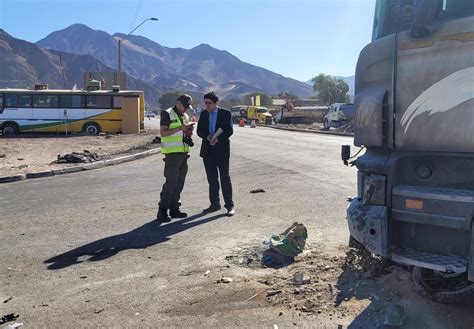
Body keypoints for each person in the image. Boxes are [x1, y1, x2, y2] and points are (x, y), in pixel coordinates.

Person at [157, 94, 194, 222]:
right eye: (185, 106)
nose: (186, 109)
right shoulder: (167, 113)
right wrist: (180, 128)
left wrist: (188, 131)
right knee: (170, 183)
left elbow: (182, 132)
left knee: (179, 183)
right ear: (178, 103)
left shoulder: (185, 116)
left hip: (183, 153)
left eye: (187, 107)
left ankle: (174, 209)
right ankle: (162, 211)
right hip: (172, 154)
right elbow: (163, 133)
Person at [197, 92, 235, 216]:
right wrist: (207, 136)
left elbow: (229, 130)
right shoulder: (203, 114)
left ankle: (229, 206)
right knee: (212, 179)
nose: (207, 106)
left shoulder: (225, 114)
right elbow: (199, 131)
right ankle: (214, 204)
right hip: (208, 151)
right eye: (205, 103)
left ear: (216, 103)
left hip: (222, 150)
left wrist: (219, 138)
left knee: (225, 177)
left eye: (209, 103)